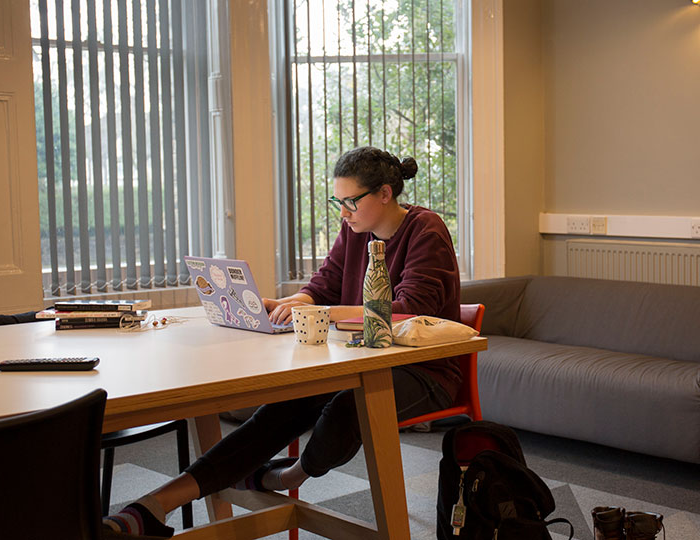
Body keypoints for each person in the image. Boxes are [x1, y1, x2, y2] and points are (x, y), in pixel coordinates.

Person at [103, 146, 462, 537]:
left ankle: (287, 475)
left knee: (346, 408)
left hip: (425, 368)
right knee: (281, 408)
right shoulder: (355, 229)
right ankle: (153, 506)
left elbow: (409, 308)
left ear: (385, 194)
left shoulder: (426, 229)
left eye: (350, 202)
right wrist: (294, 303)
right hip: (361, 359)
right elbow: (325, 282)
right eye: (337, 201)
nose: (343, 212)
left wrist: (320, 312)